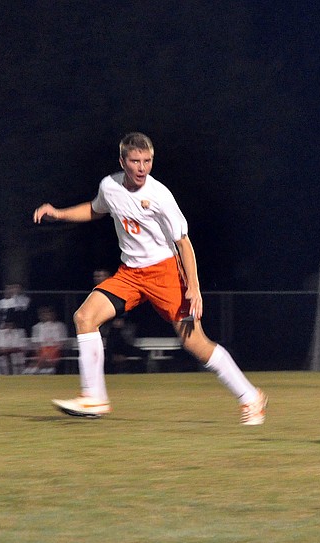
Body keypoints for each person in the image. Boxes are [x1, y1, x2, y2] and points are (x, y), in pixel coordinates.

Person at [32, 132, 267, 423]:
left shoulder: (160, 195)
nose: (142, 167)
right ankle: (94, 397)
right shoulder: (110, 186)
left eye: (147, 161)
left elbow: (184, 243)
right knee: (84, 317)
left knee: (196, 343)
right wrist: (58, 213)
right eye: (135, 161)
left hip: (165, 273)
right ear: (122, 161)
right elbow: (95, 209)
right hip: (129, 274)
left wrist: (193, 286)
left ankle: (250, 397)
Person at [25, 305, 68, 374]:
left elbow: (62, 343)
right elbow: (36, 344)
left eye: (49, 313)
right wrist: (42, 353)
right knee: (39, 357)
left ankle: (43, 368)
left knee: (48, 357)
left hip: (55, 351)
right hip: (41, 351)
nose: (47, 315)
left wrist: (50, 352)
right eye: (44, 313)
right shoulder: (37, 327)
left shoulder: (60, 326)